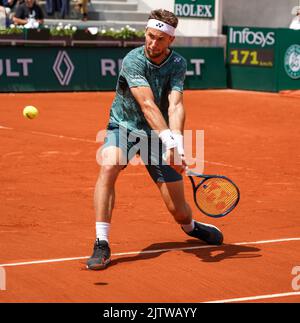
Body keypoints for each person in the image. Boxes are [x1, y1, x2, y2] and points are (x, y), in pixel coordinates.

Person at [87, 9, 223, 271]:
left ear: (170, 40)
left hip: (156, 137)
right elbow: (148, 104)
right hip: (124, 127)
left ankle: (192, 227)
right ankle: (101, 242)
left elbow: (175, 104)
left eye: (160, 39)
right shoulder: (133, 60)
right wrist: (170, 143)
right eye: (150, 36)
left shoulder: (178, 64)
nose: (152, 43)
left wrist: (178, 143)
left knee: (179, 211)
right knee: (108, 166)